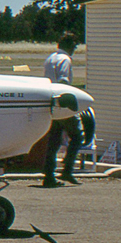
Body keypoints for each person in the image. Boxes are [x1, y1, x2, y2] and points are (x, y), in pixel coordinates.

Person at [43, 33, 83, 187]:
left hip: (51, 104)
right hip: (63, 103)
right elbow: (64, 81)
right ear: (69, 44)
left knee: (53, 141)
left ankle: (49, 175)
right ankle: (67, 169)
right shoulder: (65, 59)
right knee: (77, 137)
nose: (75, 48)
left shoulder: (50, 58)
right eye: (74, 44)